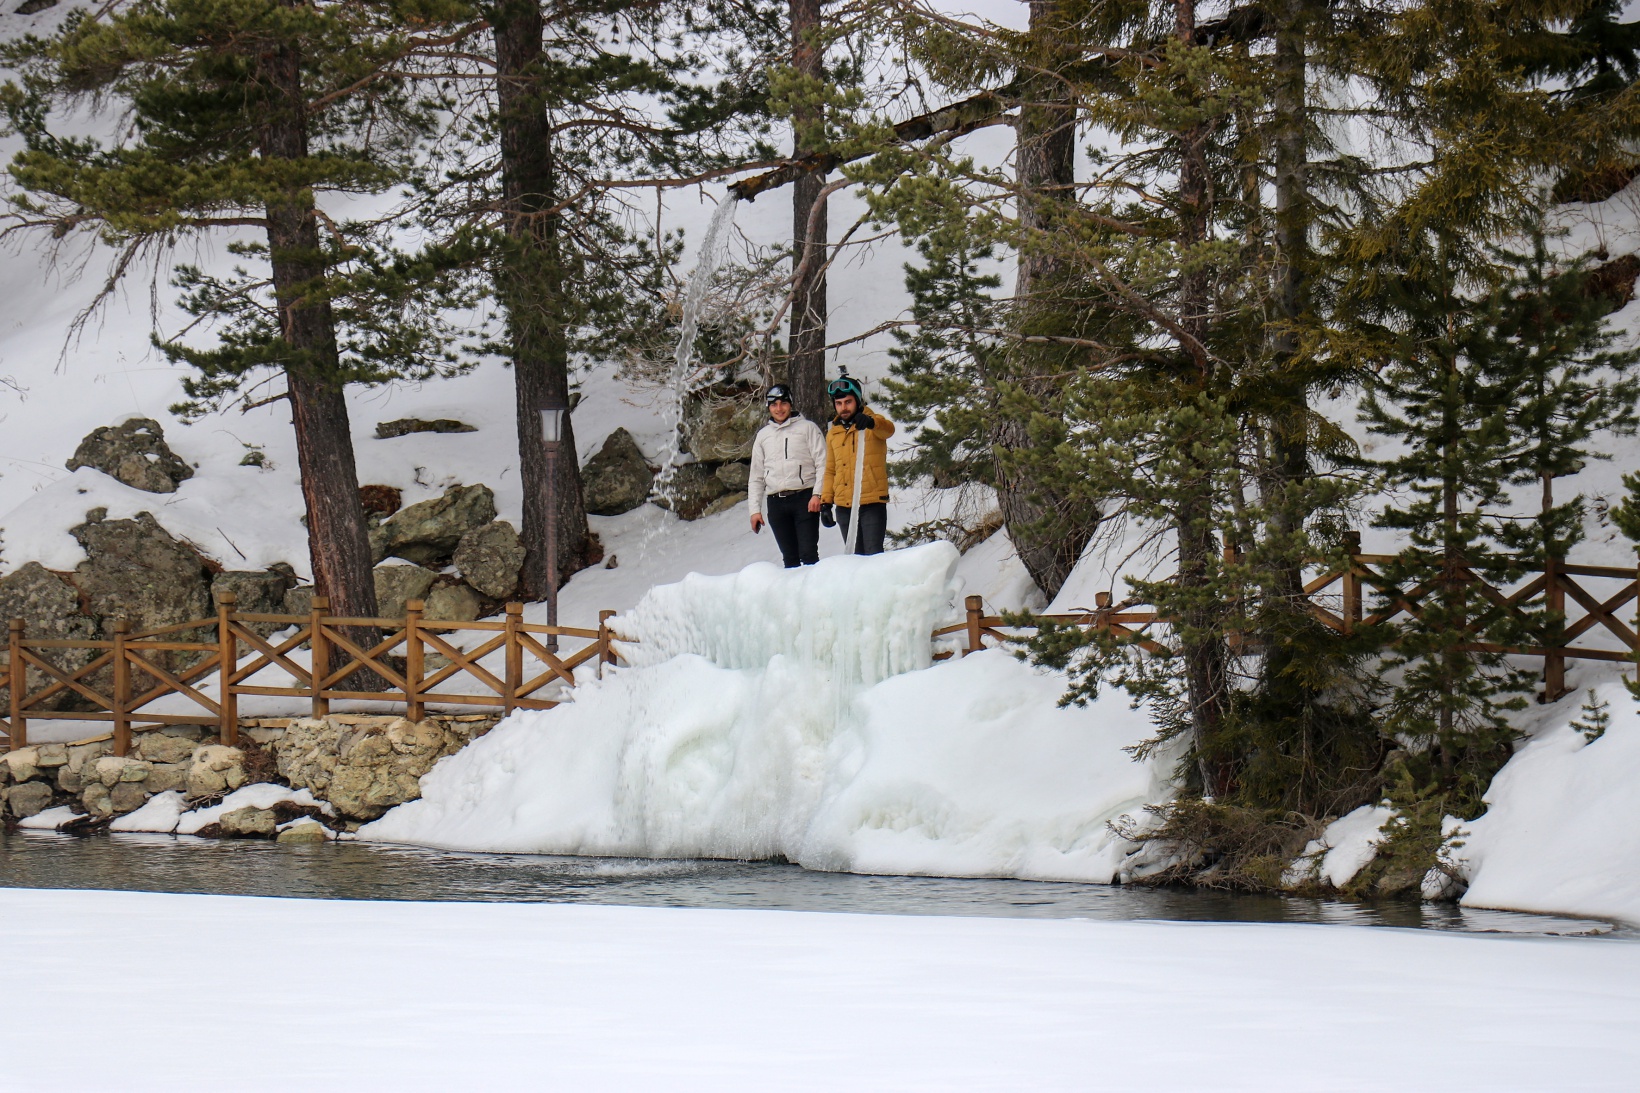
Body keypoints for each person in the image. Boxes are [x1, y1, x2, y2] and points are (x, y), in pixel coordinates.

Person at [748, 383, 826, 567]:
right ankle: (794, 595)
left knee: (808, 554)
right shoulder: (763, 435)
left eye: (783, 403)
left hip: (804, 497)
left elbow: (823, 462)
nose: (779, 408)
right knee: (789, 558)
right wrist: (754, 511)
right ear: (769, 407)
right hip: (776, 502)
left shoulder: (808, 428)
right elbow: (756, 476)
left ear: (790, 404)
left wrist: (817, 494)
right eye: (774, 404)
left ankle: (813, 593)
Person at [820, 371, 896, 555]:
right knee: (854, 558)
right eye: (838, 404)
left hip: (871, 502)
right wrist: (826, 502)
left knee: (873, 555)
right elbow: (830, 470)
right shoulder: (833, 433)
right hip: (844, 506)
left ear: (858, 400)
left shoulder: (873, 423)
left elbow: (888, 430)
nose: (843, 408)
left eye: (848, 402)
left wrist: (871, 423)